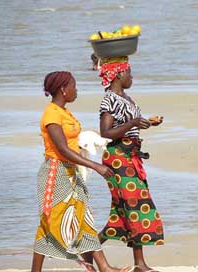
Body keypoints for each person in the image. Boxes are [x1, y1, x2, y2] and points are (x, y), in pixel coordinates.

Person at [32, 71, 132, 272]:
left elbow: (71, 143)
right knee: (51, 223)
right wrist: (95, 166)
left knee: (84, 218)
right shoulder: (51, 114)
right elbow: (62, 149)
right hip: (56, 173)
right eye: (73, 86)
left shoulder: (65, 112)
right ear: (63, 89)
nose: (76, 90)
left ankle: (104, 268)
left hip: (70, 171)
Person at [96, 57, 165, 272]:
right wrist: (133, 123)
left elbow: (129, 125)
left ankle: (90, 251)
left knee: (125, 210)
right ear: (118, 74)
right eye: (129, 73)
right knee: (134, 205)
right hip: (118, 157)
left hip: (130, 156)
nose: (132, 77)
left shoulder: (126, 98)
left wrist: (146, 122)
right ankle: (139, 264)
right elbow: (106, 133)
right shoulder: (109, 99)